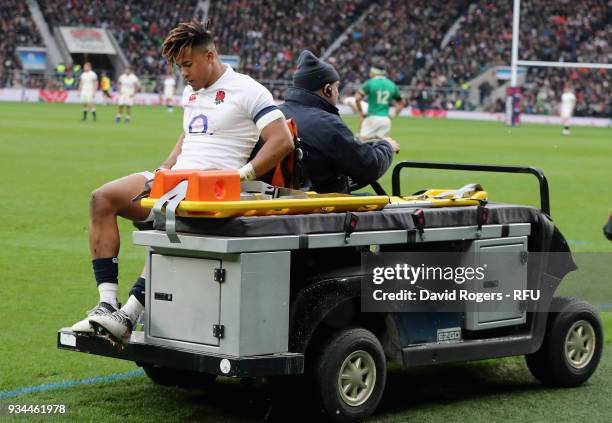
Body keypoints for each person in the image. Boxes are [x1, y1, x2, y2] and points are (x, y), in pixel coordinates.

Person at [71, 20, 293, 341]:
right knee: (102, 198)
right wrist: (163, 170)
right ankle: (106, 305)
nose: (183, 73)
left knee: (174, 219)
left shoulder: (248, 89)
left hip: (210, 190)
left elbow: (282, 140)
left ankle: (129, 315)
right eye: (179, 67)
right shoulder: (191, 92)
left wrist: (241, 176)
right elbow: (187, 137)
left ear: (211, 56)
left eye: (188, 64)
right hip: (175, 181)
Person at [279, 50, 400, 194]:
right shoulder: (327, 123)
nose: (338, 92)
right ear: (327, 89)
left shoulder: (276, 113)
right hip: (324, 207)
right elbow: (369, 167)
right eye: (337, 87)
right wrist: (386, 146)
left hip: (283, 201)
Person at [354, 65, 404, 140]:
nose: (369, 74)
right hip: (386, 120)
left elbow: (357, 99)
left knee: (361, 142)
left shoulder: (370, 83)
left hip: (372, 117)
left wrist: (360, 112)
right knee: (380, 146)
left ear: (374, 73)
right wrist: (393, 115)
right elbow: (401, 103)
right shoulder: (392, 84)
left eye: (370, 72)